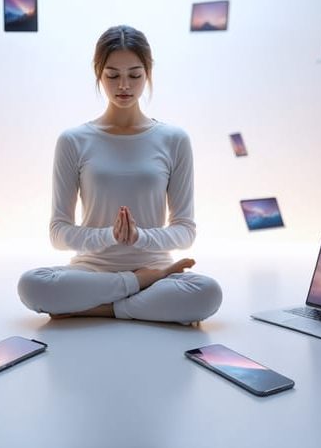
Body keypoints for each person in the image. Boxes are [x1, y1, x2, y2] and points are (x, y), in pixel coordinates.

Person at [18, 25, 222, 325]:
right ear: (99, 73)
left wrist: (140, 237)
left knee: (208, 293)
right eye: (112, 75)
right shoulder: (73, 140)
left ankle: (101, 309)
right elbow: (59, 233)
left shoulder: (174, 139)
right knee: (31, 285)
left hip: (155, 269)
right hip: (93, 272)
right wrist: (109, 237)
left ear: (148, 72)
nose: (123, 85)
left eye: (135, 75)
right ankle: (137, 292)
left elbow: (185, 231)